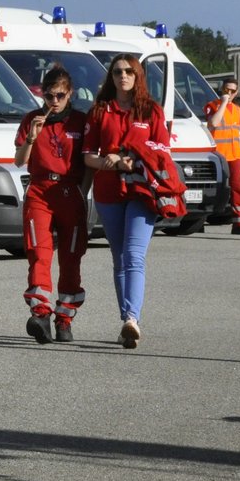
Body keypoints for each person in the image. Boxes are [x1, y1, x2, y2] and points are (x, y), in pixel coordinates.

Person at [83, 52, 169, 349]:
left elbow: (162, 153)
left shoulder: (151, 111)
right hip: (108, 192)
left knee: (134, 255)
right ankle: (126, 323)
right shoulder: (100, 112)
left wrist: (134, 160)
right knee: (119, 257)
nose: (123, 76)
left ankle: (132, 318)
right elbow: (88, 156)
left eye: (129, 72)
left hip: (142, 192)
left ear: (138, 76)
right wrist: (111, 162)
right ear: (112, 77)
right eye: (118, 72)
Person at [13, 65, 88, 343]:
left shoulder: (81, 121)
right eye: (48, 96)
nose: (53, 102)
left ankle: (65, 318)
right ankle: (40, 314)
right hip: (40, 190)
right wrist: (32, 136)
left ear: (70, 93)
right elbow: (20, 161)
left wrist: (83, 191)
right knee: (39, 252)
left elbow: (89, 162)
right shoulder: (32, 119)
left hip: (71, 191)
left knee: (71, 256)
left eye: (59, 95)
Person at [203, 76, 240, 235]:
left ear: (237, 92)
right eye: (226, 90)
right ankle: (201, 219)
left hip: (235, 154)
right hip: (219, 155)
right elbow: (214, 123)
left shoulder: (237, 110)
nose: (229, 93)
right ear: (221, 89)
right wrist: (223, 103)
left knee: (238, 188)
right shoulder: (212, 106)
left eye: (232, 91)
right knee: (215, 188)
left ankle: (239, 223)